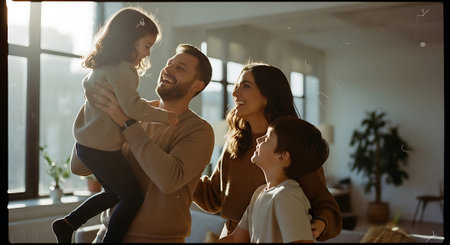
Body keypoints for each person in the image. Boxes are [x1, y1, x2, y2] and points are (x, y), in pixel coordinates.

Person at [52, 7, 178, 243]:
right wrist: (164, 116)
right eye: (146, 46)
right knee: (132, 198)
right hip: (102, 151)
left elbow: (121, 106)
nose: (147, 54)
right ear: (130, 41)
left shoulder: (101, 68)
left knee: (114, 194)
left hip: (86, 147)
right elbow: (131, 107)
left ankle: (68, 223)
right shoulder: (124, 70)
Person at [71, 43, 215, 243]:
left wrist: (126, 122)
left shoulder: (199, 131)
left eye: (180, 68)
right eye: (169, 64)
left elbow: (169, 180)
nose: (168, 69)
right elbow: (79, 167)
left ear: (197, 86)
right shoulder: (130, 110)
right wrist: (95, 112)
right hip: (107, 236)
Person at [193, 62, 342, 241]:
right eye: (236, 87)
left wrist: (320, 224)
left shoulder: (291, 144)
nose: (235, 93)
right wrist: (179, 172)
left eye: (245, 86)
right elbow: (213, 198)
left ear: (268, 95)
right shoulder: (235, 143)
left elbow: (325, 207)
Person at [217, 115, 330, 243]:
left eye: (267, 138)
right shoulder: (259, 193)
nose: (259, 139)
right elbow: (235, 239)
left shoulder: (287, 196)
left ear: (283, 157)